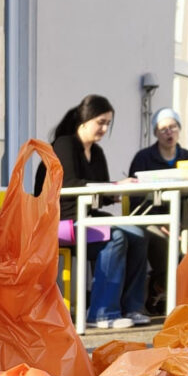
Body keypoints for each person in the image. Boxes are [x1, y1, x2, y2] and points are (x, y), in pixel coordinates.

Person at [34, 94, 149, 329]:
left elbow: (98, 195)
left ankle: (132, 307)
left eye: (108, 123)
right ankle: (102, 313)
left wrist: (115, 192)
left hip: (85, 218)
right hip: (59, 221)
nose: (104, 128)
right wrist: (114, 187)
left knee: (138, 233)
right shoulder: (64, 144)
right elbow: (67, 185)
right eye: (101, 122)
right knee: (115, 237)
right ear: (85, 120)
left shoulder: (97, 153)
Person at [128, 108, 188, 314]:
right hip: (151, 220)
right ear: (155, 133)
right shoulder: (143, 158)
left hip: (180, 221)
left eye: (173, 127)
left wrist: (180, 223)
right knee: (161, 239)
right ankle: (161, 287)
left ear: (179, 129)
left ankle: (183, 295)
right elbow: (135, 198)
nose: (169, 133)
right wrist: (162, 222)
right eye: (163, 129)